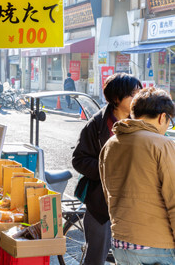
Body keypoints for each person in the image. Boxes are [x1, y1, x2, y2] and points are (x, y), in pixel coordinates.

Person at [99, 87, 175, 264]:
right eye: (169, 122)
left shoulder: (110, 144)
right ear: (162, 117)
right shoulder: (162, 145)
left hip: (121, 243)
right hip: (157, 245)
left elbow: (107, 194)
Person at [72, 73, 141, 265]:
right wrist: (108, 171)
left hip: (133, 204)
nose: (138, 97)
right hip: (100, 205)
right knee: (96, 257)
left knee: (132, 258)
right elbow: (79, 159)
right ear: (117, 98)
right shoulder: (96, 125)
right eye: (134, 93)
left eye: (139, 92)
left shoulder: (141, 123)